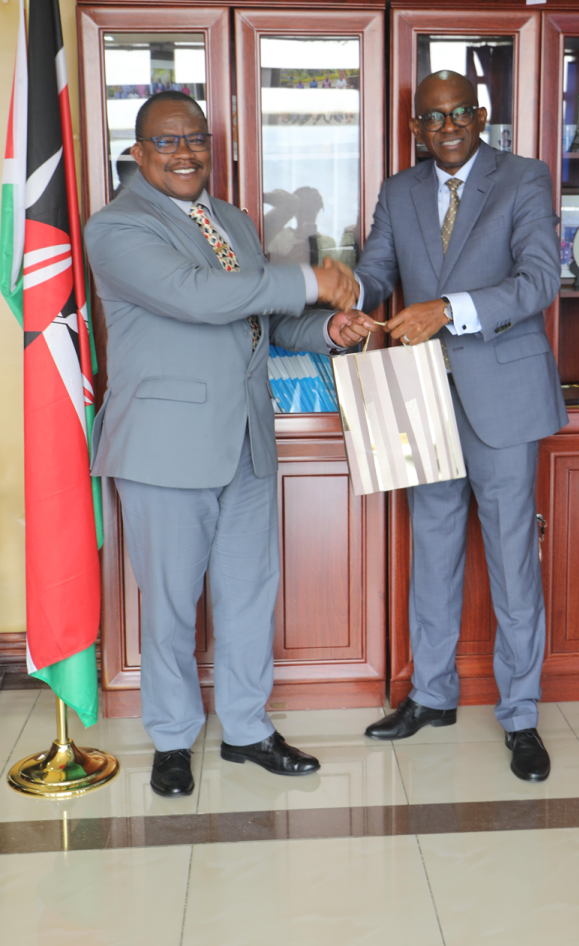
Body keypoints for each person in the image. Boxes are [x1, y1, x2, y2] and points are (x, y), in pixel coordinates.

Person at [84, 91, 358, 797]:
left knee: (247, 597)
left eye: (195, 139)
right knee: (171, 605)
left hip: (246, 441)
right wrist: (311, 277)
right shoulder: (116, 227)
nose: (184, 153)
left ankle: (246, 729)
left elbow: (258, 319)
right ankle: (173, 738)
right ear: (137, 153)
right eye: (166, 141)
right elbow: (199, 296)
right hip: (164, 448)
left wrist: (325, 330)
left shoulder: (232, 221)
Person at [341, 70, 568, 782]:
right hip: (421, 398)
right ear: (415, 127)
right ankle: (432, 695)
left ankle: (521, 715)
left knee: (511, 559)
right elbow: (377, 273)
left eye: (460, 112)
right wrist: (344, 297)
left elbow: (539, 280)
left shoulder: (523, 178)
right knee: (433, 550)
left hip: (505, 396)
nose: (447, 127)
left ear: (481, 115)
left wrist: (445, 309)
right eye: (432, 117)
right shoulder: (399, 190)